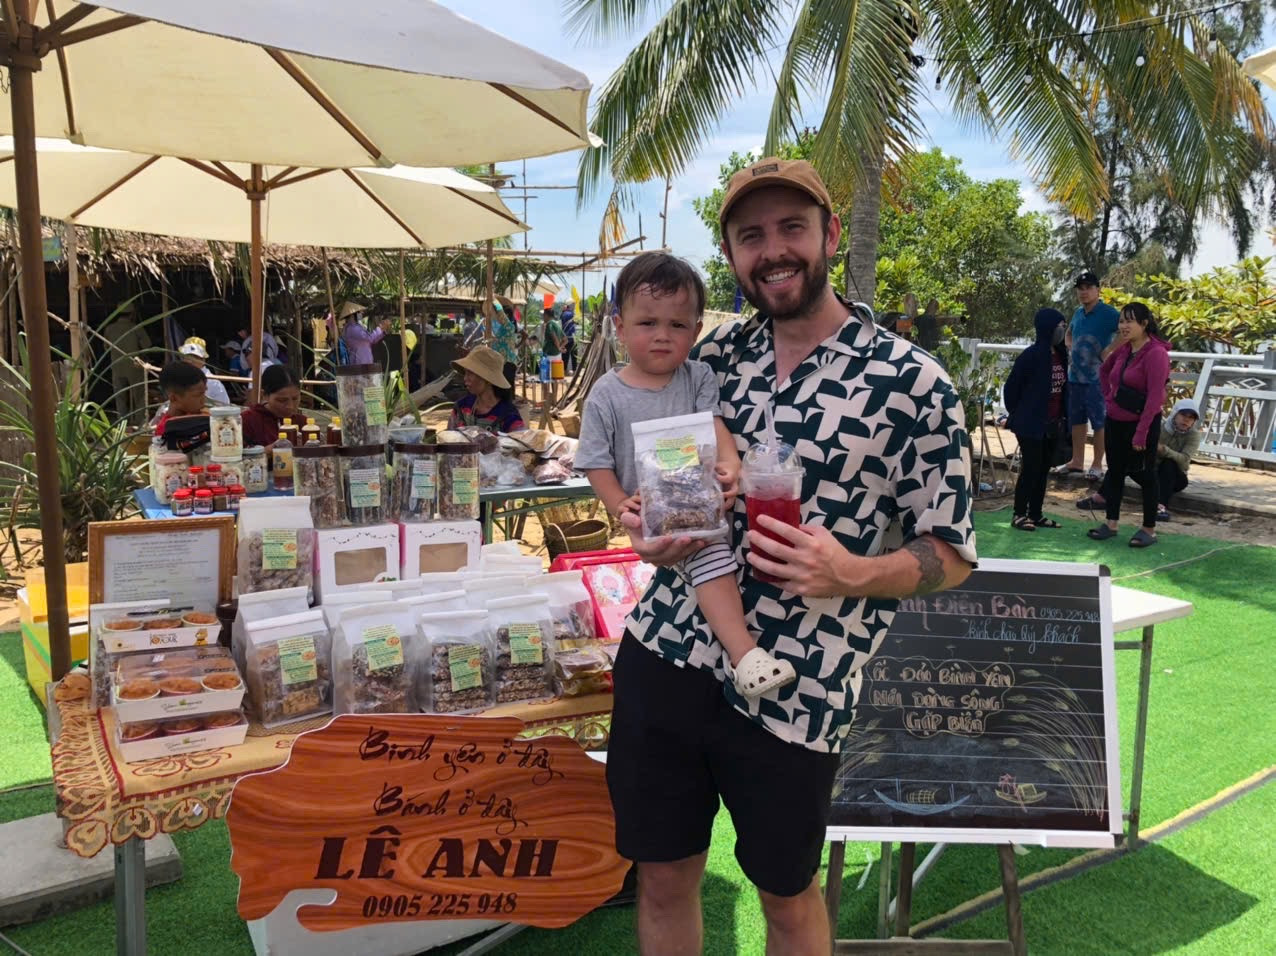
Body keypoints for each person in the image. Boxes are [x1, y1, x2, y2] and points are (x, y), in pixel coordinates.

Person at [606, 158, 976, 954]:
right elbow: (652, 467)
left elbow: (952, 552)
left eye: (791, 228)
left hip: (797, 688)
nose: (773, 250)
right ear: (734, 256)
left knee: (788, 896)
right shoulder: (709, 359)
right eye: (751, 236)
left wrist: (854, 572)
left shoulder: (911, 382)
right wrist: (640, 524)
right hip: (667, 650)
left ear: (830, 236)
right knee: (665, 876)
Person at [577, 252, 797, 699]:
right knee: (709, 558)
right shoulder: (606, 394)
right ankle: (745, 655)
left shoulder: (696, 377)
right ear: (619, 326)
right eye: (647, 323)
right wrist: (620, 505)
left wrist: (732, 465)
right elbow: (595, 462)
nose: (662, 336)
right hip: (647, 512)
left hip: (693, 500)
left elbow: (715, 425)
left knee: (712, 550)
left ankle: (735, 652)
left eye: (677, 326)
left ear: (696, 332)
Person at [1082, 302, 1170, 548]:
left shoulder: (1156, 353)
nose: (1123, 326)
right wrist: (1109, 397)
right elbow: (1104, 371)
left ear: (1144, 324)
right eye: (1121, 321)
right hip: (1116, 422)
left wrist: (1141, 433)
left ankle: (1149, 528)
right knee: (1116, 472)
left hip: (1142, 423)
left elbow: (1155, 397)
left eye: (1129, 321)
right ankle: (1111, 523)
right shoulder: (1125, 350)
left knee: (1147, 475)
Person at [1079, 398, 1201, 523]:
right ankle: (1103, 496)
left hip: (1175, 478)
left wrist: (1164, 450)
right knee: (1125, 460)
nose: (1186, 420)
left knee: (1169, 465)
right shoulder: (1160, 426)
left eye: (1191, 417)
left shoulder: (1194, 435)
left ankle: (1160, 506)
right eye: (1183, 415)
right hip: (1152, 470)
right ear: (1175, 414)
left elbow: (1185, 460)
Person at [1003, 308, 1069, 531]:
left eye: (1064, 325)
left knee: (1043, 469)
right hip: (1030, 424)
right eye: (1058, 325)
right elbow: (1011, 388)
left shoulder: (1061, 355)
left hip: (1052, 423)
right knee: (1030, 468)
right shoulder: (1031, 355)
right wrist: (1019, 413)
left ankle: (1036, 513)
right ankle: (1019, 514)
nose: (1062, 329)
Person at [1055, 271, 1120, 480]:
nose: (1084, 292)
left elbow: (1127, 332)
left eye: (1088, 288)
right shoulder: (1077, 313)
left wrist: (1110, 349)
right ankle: (1076, 460)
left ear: (1098, 290)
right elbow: (1069, 332)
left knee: (1099, 421)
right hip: (1075, 377)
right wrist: (1071, 347)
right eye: (1080, 289)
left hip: (1098, 379)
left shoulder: (1109, 313)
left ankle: (1097, 463)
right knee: (1077, 420)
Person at [447, 345, 524, 432]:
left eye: (470, 373)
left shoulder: (509, 415)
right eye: (465, 372)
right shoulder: (462, 408)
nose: (465, 378)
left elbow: (519, 441)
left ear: (488, 380)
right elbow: (449, 439)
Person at [103, 307, 150, 425]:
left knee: (120, 397)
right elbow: (147, 345)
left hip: (117, 366)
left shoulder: (109, 328)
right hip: (135, 366)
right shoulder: (136, 327)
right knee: (139, 397)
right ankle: (140, 422)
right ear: (132, 314)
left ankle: (122, 423)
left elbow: (106, 347)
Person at [241, 364, 303, 448]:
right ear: (264, 395)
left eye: (295, 399)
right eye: (282, 400)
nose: (290, 406)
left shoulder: (303, 423)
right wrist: (270, 450)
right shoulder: (247, 421)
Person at [152, 360, 208, 437]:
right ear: (174, 398)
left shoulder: (203, 419)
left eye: (204, 393)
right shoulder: (166, 432)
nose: (203, 400)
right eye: (198, 395)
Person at [178, 337, 231, 406]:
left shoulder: (210, 381)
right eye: (186, 357)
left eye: (195, 357)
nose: (189, 361)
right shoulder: (186, 377)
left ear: (203, 360)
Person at [339, 301, 390, 366]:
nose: (361, 314)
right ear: (353, 314)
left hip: (365, 361)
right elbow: (369, 338)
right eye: (359, 312)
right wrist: (380, 327)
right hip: (359, 362)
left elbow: (372, 341)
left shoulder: (358, 326)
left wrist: (383, 331)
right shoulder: (352, 328)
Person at [561, 302, 578, 373]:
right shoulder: (571, 314)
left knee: (565, 355)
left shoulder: (562, 314)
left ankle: (564, 370)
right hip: (572, 337)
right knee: (574, 354)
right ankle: (574, 370)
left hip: (565, 337)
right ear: (569, 307)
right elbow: (577, 322)